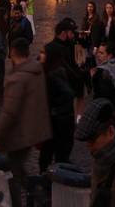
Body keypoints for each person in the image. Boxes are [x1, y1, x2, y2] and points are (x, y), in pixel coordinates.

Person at [0, 38, 50, 207]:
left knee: (13, 175)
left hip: (19, 134)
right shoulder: (36, 70)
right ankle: (41, 197)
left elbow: (9, 113)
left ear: (12, 53)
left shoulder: (18, 78)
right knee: (19, 170)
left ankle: (29, 201)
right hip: (32, 131)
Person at [39, 19, 82, 173]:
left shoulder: (53, 52)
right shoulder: (58, 58)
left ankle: (46, 177)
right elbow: (72, 85)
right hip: (60, 116)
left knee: (47, 153)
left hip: (51, 115)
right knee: (59, 152)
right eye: (71, 33)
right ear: (64, 33)